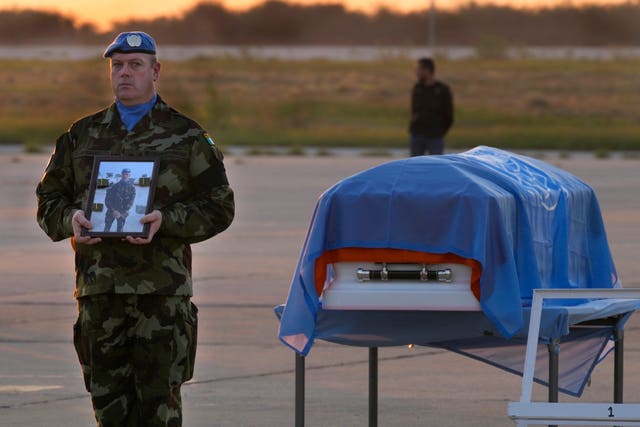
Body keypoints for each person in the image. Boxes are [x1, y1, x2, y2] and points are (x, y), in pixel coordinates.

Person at [36, 31, 234, 427]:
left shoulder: (187, 135)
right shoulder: (82, 135)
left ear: (155, 71)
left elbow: (219, 206)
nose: (125, 73)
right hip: (100, 294)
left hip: (160, 297)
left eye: (136, 65)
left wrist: (168, 221)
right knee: (109, 410)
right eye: (117, 65)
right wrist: (71, 219)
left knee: (159, 409)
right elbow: (49, 200)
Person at [409, 57, 454, 156]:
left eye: (419, 69)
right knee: (415, 166)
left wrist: (440, 131)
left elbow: (449, 115)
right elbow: (414, 111)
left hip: (435, 136)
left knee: (436, 165)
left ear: (427, 70)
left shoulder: (442, 89)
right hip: (417, 134)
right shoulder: (417, 88)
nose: (416, 72)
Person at [104, 168, 136, 232]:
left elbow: (131, 201)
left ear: (129, 175)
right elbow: (107, 199)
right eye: (123, 174)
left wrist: (125, 210)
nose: (125, 176)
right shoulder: (114, 186)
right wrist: (113, 210)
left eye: (127, 174)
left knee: (120, 231)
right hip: (111, 211)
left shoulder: (132, 188)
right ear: (121, 175)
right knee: (107, 229)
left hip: (123, 212)